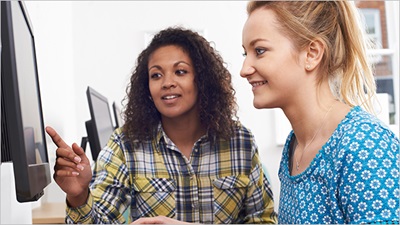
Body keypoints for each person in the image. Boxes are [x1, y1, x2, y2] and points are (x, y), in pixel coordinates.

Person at [46, 26, 277, 224]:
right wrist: (79, 196)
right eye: (156, 75)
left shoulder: (240, 142)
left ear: (202, 79)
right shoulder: (126, 145)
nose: (167, 83)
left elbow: (264, 221)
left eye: (180, 71)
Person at [240, 1, 399, 224]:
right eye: (245, 53)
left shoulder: (364, 144)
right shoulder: (294, 145)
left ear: (312, 54)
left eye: (260, 51)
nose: (244, 69)